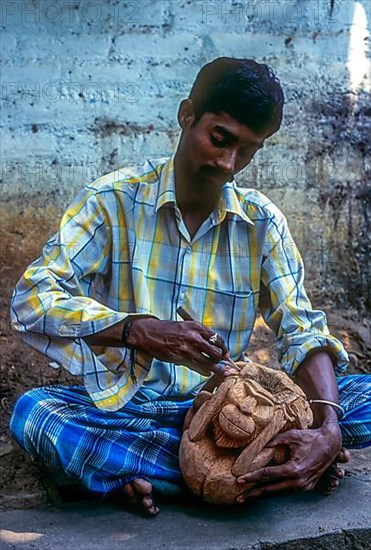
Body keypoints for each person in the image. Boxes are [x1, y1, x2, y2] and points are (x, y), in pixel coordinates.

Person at [10, 58, 371, 516]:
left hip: (231, 416)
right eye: (219, 139)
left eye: (248, 151)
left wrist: (329, 427)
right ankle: (265, 472)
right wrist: (137, 330)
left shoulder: (262, 222)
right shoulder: (112, 200)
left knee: (360, 399)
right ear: (186, 116)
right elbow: (31, 299)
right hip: (135, 410)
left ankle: (145, 473)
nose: (227, 162)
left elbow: (301, 328)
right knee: (36, 413)